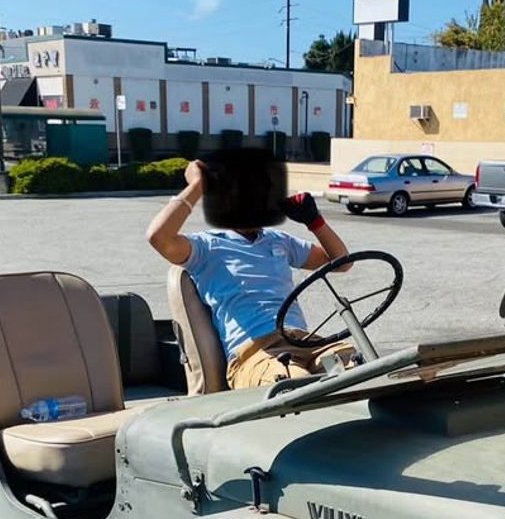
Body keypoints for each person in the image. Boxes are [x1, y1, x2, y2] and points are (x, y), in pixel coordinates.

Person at [147, 159, 352, 389]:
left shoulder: (279, 241)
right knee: (300, 386)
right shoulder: (207, 247)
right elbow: (158, 237)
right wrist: (197, 186)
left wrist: (315, 221)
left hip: (307, 343)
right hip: (255, 354)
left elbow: (341, 263)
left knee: (357, 370)